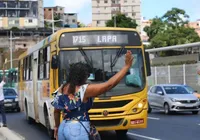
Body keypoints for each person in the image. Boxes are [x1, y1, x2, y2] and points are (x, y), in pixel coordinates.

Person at [52, 50, 134, 140]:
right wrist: (126, 67)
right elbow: (109, 85)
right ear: (83, 76)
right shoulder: (83, 90)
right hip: (77, 129)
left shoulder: (61, 88)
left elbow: (56, 111)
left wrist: (56, 127)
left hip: (63, 128)